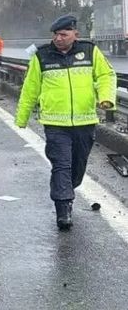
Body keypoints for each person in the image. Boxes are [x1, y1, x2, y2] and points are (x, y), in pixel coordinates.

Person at [15, 15, 116, 231]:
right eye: (56, 34)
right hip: (55, 123)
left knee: (77, 167)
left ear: (75, 34)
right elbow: (30, 89)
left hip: (85, 122)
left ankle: (68, 190)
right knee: (61, 164)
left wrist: (106, 97)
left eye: (63, 34)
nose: (58, 38)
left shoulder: (89, 51)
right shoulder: (42, 56)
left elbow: (106, 75)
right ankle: (63, 209)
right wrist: (21, 118)